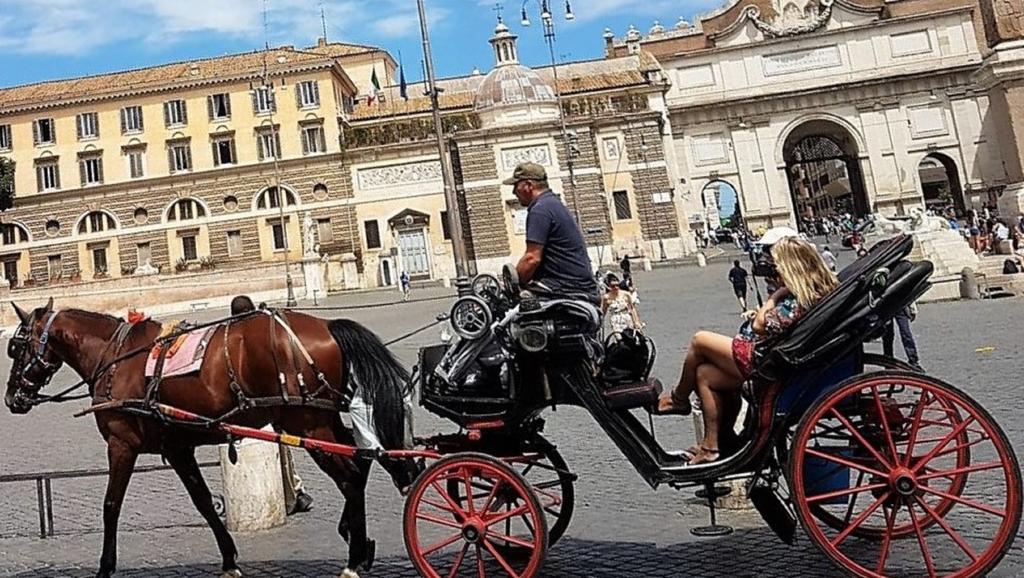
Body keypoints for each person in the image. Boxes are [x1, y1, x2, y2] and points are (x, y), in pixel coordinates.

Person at [655, 236, 838, 465]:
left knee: (699, 340)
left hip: (764, 361)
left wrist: (775, 295)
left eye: (779, 266)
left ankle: (678, 399)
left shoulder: (799, 296)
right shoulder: (814, 290)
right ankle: (714, 444)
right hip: (770, 357)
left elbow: (761, 326)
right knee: (704, 374)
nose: (775, 272)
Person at [229, 295, 313, 515]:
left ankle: (291, 493)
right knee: (282, 447)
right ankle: (294, 490)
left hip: (256, 413)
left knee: (278, 445)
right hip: (275, 406)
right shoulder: (264, 335)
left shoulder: (239, 343)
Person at [507, 162, 598, 300]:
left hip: (563, 287)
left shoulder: (540, 209)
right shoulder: (553, 203)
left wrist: (512, 285)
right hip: (580, 285)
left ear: (529, 185)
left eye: (516, 185)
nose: (514, 192)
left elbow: (532, 258)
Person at [882, 303, 922, 370]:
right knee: (888, 336)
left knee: (905, 333)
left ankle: (913, 360)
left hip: (899, 305)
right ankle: (888, 361)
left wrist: (913, 308)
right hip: (889, 305)